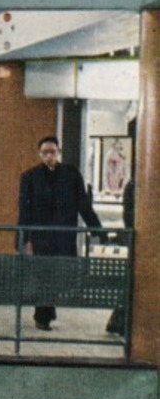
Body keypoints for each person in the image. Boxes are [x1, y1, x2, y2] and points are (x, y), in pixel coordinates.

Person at [17, 135, 103, 331]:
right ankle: (43, 315)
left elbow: (83, 203)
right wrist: (23, 240)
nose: (49, 156)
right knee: (43, 275)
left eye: (53, 152)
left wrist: (96, 227)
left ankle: (47, 310)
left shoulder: (71, 175)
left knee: (60, 274)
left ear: (59, 152)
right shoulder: (29, 177)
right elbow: (24, 210)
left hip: (64, 236)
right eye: (45, 153)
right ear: (39, 154)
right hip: (41, 237)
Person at [106, 176, 134, 336]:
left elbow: (128, 215)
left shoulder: (132, 184)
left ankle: (117, 322)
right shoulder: (135, 185)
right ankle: (118, 322)